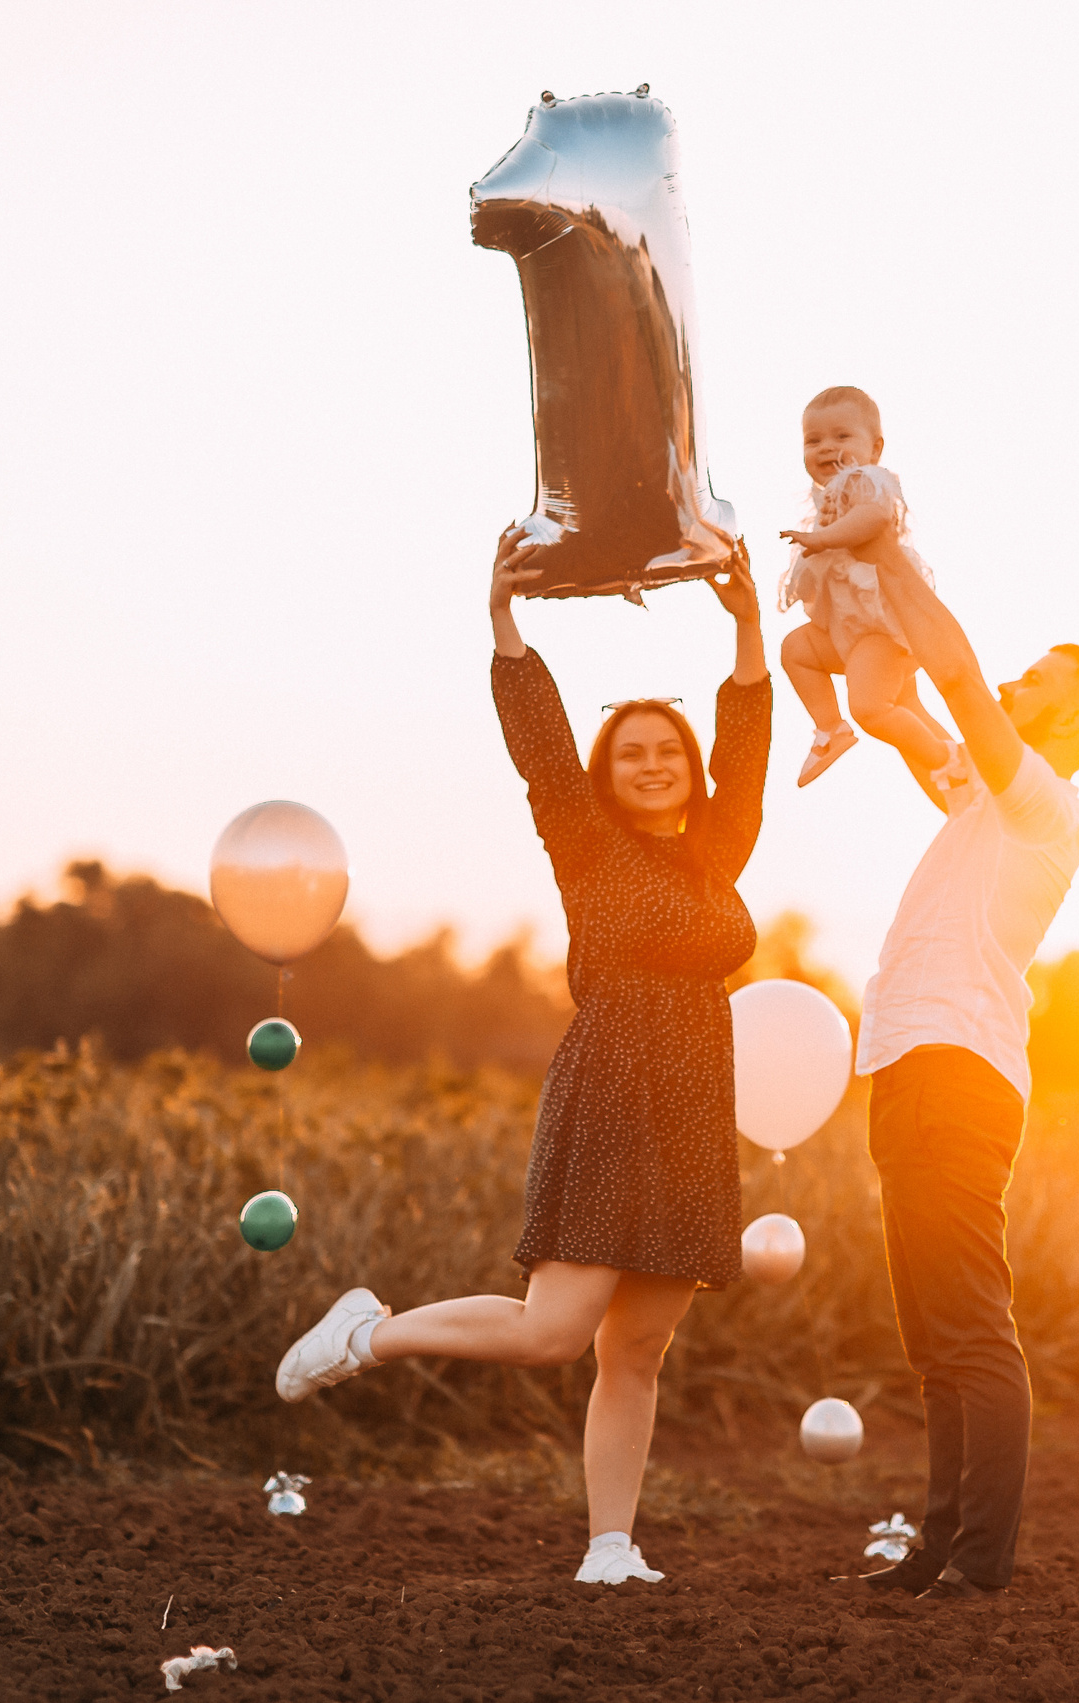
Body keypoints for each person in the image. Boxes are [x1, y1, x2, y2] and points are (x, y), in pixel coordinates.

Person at [275, 526, 771, 1589]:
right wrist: (502, 621)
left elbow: (748, 737)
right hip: (612, 1091)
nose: (652, 762)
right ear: (607, 772)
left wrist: (745, 623)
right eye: (632, 751)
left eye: (667, 749)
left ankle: (610, 1544)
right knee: (555, 1331)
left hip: (693, 1113)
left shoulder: (718, 850)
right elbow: (541, 741)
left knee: (636, 1351)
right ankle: (371, 1332)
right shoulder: (583, 839)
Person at [852, 550, 1079, 1600]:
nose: (1009, 682)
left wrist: (890, 547)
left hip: (959, 1067)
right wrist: (854, 587)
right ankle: (940, 1543)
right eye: (1017, 672)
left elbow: (957, 680)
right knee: (932, 1331)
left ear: (1069, 725)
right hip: (907, 1057)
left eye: (1035, 680)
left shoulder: (1046, 807)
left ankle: (981, 1560)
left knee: (968, 1318)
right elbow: (887, 698)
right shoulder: (981, 792)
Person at [775, 386, 963, 791]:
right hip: (849, 630)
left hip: (883, 629)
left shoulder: (866, 480)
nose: (827, 448)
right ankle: (830, 729)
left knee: (871, 706)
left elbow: (873, 518)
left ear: (875, 448)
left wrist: (821, 541)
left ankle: (947, 759)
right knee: (796, 651)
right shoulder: (828, 496)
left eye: (842, 437)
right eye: (814, 440)